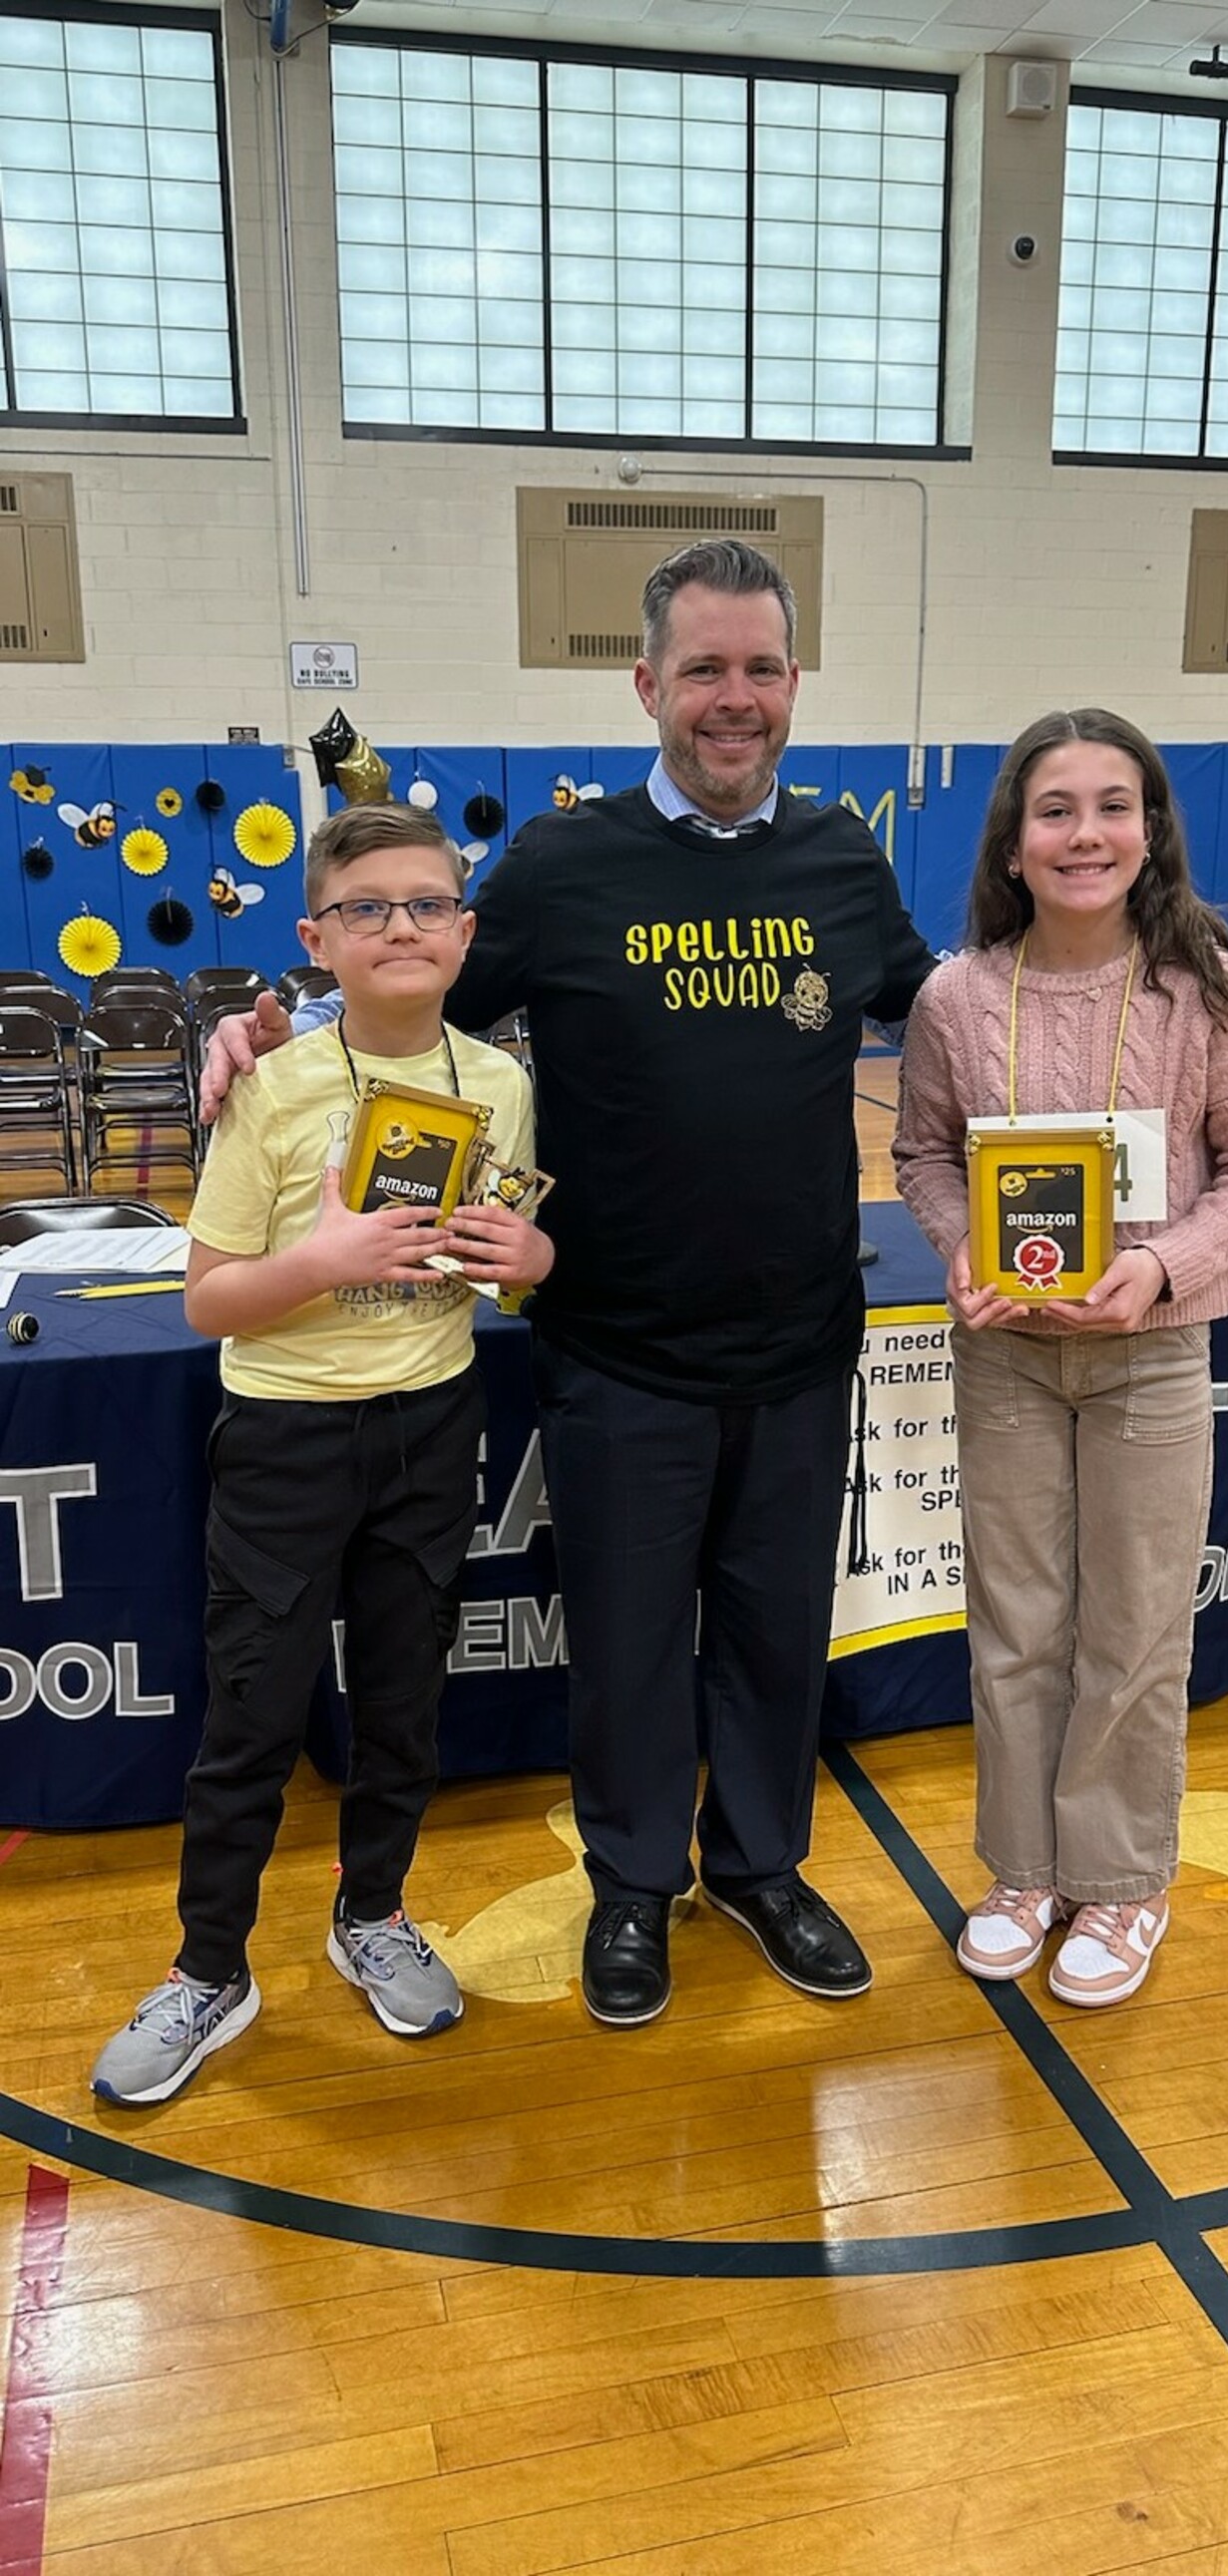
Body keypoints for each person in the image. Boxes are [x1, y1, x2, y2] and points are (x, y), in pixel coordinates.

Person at [198, 540, 936, 2027]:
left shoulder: (848, 860)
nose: (736, 700)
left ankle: (762, 1866)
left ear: (794, 685)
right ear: (648, 683)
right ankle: (633, 1888)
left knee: (781, 1631)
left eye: (762, 670)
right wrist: (256, 1025)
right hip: (616, 1346)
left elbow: (960, 1017)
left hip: (800, 1342)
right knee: (629, 1643)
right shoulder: (560, 864)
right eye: (706, 670)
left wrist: (1159, 973)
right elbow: (396, 1003)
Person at [92, 804, 555, 2105]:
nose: (400, 926)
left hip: (432, 1425)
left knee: (403, 1708)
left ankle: (375, 1914)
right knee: (248, 1717)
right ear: (316, 939)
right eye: (366, 909)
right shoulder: (269, 1084)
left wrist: (538, 1263)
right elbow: (210, 1299)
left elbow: (511, 1262)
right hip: (286, 1438)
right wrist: (322, 1262)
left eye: (428, 904)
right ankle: (208, 1970)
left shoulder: (503, 1084)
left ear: (467, 933)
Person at [893, 709, 1228, 2011]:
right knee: (1017, 1628)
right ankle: (1024, 1870)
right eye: (1055, 809)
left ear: (1151, 829)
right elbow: (924, 1155)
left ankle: (1122, 1883)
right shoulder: (956, 997)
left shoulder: (1212, 993)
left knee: (1133, 1632)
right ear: (1014, 841)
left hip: (1154, 1359)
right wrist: (961, 1245)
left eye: (1112, 805)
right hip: (1006, 1358)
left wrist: (1163, 1265)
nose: (1085, 833)